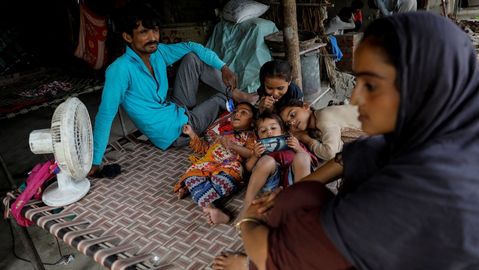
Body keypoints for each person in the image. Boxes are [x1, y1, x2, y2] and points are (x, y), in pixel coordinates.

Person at [213, 12, 479, 270]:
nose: (354, 99)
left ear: (424, 86)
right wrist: (293, 190)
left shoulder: (415, 192)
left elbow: (276, 254)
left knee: (288, 235)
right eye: (358, 80)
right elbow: (362, 152)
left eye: (372, 85)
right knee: (301, 195)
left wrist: (249, 219)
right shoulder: (450, 128)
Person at [89, 4, 252, 174]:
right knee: (220, 99)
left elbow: (192, 46)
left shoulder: (157, 53)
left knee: (192, 57)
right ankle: (247, 104)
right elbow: (105, 115)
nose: (153, 38)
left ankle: (238, 94)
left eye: (155, 30)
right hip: (175, 130)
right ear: (128, 37)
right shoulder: (120, 69)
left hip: (175, 107)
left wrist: (223, 67)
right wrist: (95, 161)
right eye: (144, 32)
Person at [174, 102, 256, 224]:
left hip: (228, 166)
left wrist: (232, 146)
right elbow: (206, 149)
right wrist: (192, 134)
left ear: (253, 122)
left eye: (243, 112)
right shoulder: (223, 135)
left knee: (222, 180)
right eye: (235, 112)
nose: (237, 114)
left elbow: (251, 153)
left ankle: (201, 197)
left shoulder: (250, 136)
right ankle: (211, 208)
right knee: (191, 175)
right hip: (208, 164)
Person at [238, 112, 315, 221]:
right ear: (258, 137)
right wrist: (255, 156)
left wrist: (298, 148)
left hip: (294, 185)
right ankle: (247, 206)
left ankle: (301, 202)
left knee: (302, 156)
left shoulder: (293, 143)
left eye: (273, 128)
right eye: (263, 131)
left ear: (283, 131)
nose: (269, 132)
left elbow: (310, 162)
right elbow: (248, 169)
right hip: (271, 189)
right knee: (267, 160)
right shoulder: (260, 150)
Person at [279, 100, 364, 160]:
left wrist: (309, 141)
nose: (292, 122)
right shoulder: (318, 119)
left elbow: (330, 153)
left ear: (305, 106)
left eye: (293, 115)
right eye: (288, 124)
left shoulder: (323, 117)